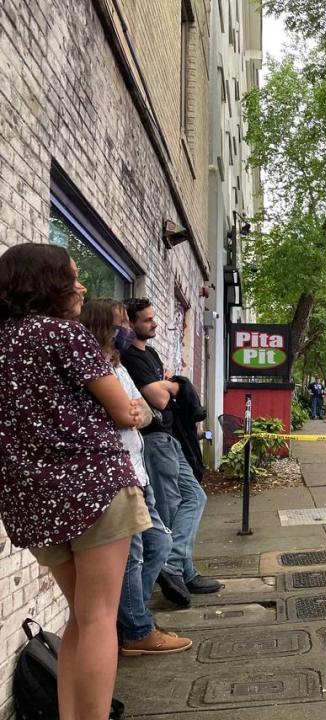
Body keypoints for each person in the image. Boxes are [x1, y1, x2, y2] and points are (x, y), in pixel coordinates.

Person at [0, 244, 152, 718]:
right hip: (96, 485)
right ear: (45, 284)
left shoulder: (3, 340)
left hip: (34, 497)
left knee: (79, 621)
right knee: (100, 619)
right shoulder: (65, 335)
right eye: (72, 277)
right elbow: (124, 411)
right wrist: (133, 412)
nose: (82, 286)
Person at [79, 298, 192, 656]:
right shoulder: (96, 367)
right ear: (104, 327)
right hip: (118, 472)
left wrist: (133, 412)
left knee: (157, 543)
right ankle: (135, 629)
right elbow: (135, 413)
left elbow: (140, 413)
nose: (127, 328)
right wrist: (131, 412)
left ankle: (134, 618)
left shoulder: (118, 365)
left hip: (136, 467)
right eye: (121, 323)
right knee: (136, 552)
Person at [122, 298, 222, 607]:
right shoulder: (130, 357)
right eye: (147, 320)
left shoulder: (148, 352)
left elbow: (162, 387)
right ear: (131, 323)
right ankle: (175, 569)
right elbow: (160, 398)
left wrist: (169, 383)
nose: (153, 324)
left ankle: (180, 567)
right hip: (154, 441)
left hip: (170, 438)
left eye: (153, 318)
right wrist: (174, 386)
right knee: (169, 508)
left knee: (194, 497)